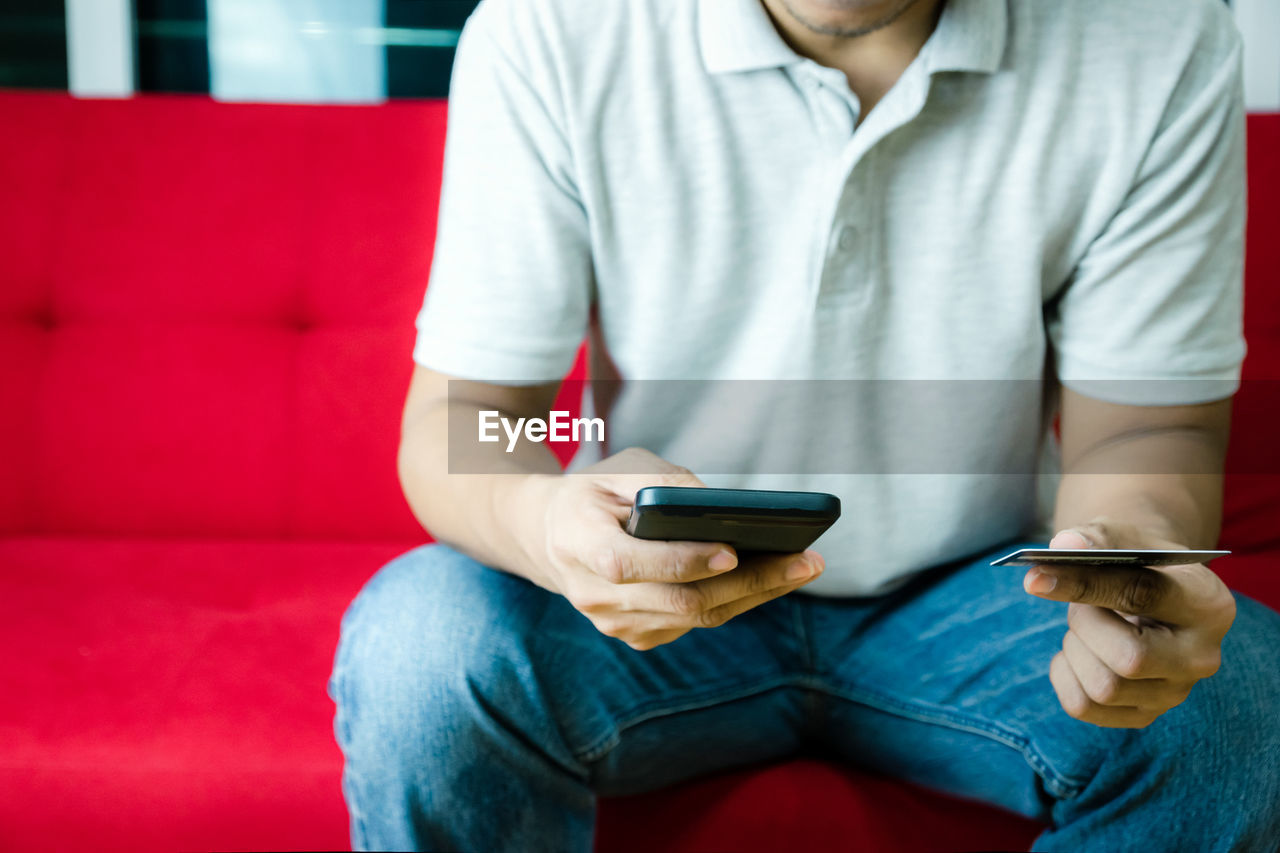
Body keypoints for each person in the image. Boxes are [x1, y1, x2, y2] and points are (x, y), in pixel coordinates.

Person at [328, 0, 1280, 849]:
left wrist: (1126, 559)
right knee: (422, 645)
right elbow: (476, 423)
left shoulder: (1159, 32)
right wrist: (545, 518)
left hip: (983, 594)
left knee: (1246, 698)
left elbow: (1146, 432)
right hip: (657, 587)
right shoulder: (551, 29)